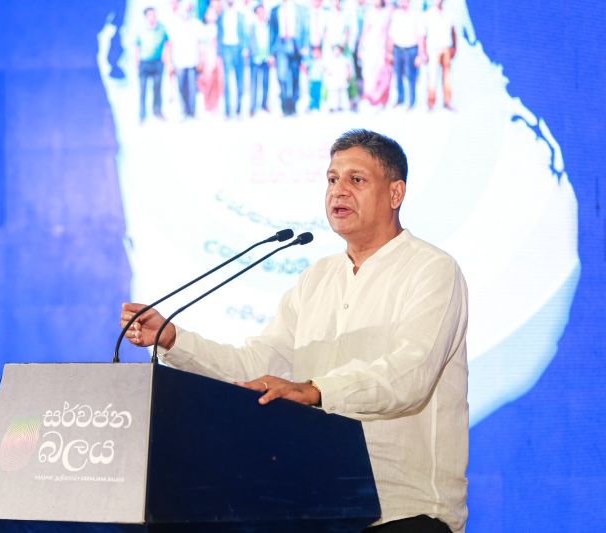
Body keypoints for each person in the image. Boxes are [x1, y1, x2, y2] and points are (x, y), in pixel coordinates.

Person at [121, 129, 469, 533]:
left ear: (395, 193)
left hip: (404, 512)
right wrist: (173, 339)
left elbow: (410, 375)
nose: (338, 191)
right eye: (332, 179)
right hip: (318, 506)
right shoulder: (316, 278)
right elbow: (256, 366)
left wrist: (314, 390)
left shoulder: (432, 270)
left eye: (356, 179)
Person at [269, 0, 309, 116]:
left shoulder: (299, 9)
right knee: (281, 76)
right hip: (280, 45)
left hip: (295, 45)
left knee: (295, 76)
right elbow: (272, 32)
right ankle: (285, 104)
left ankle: (293, 104)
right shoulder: (275, 10)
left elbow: (304, 28)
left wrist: (304, 45)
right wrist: (271, 52)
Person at [167, 1, 203, 119]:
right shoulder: (175, 25)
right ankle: (184, 111)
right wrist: (170, 62)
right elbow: (170, 44)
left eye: (189, 9)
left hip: (192, 61)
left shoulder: (196, 24)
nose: (186, 12)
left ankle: (192, 112)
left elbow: (199, 44)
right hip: (179, 61)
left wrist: (200, 59)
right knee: (181, 87)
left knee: (192, 88)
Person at [387, 0, 424, 109]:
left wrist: (420, 55)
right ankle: (400, 99)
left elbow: (421, 36)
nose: (402, 2)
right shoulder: (396, 15)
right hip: (397, 49)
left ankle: (411, 102)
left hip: (411, 50)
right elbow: (391, 35)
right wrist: (389, 52)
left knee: (411, 77)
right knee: (398, 76)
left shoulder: (416, 15)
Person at [135, 7, 169, 122]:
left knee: (157, 89)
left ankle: (157, 111)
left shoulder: (161, 28)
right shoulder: (141, 29)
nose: (152, 17)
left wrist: (165, 56)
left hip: (157, 63)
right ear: (146, 17)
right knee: (143, 90)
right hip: (144, 63)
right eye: (150, 15)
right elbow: (137, 46)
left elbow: (167, 42)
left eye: (154, 15)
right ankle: (142, 115)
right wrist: (137, 62)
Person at [422, 0, 456, 110]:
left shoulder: (448, 13)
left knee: (447, 77)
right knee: (432, 77)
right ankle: (431, 103)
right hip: (433, 50)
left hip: (446, 49)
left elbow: (453, 31)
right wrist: (423, 52)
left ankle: (447, 101)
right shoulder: (428, 14)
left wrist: (454, 47)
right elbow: (423, 35)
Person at [358, 0, 392, 108]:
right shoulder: (369, 12)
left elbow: (388, 33)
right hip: (369, 46)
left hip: (381, 48)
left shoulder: (386, 13)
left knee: (380, 73)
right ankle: (368, 98)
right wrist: (360, 47)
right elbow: (365, 31)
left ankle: (378, 100)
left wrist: (388, 50)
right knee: (368, 74)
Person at [217, 0, 247, 117]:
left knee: (239, 80)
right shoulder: (221, 16)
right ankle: (228, 110)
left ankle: (239, 109)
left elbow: (244, 33)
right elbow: (219, 34)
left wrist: (245, 48)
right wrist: (219, 52)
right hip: (226, 48)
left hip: (238, 48)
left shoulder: (240, 16)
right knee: (227, 81)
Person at [246, 2, 272, 116]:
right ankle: (252, 107)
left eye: (263, 12)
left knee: (266, 83)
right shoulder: (252, 26)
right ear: (256, 14)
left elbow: (271, 41)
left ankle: (264, 104)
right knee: (254, 83)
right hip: (255, 58)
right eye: (259, 12)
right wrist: (252, 53)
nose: (262, 14)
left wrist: (271, 55)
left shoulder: (268, 26)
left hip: (266, 58)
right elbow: (249, 42)